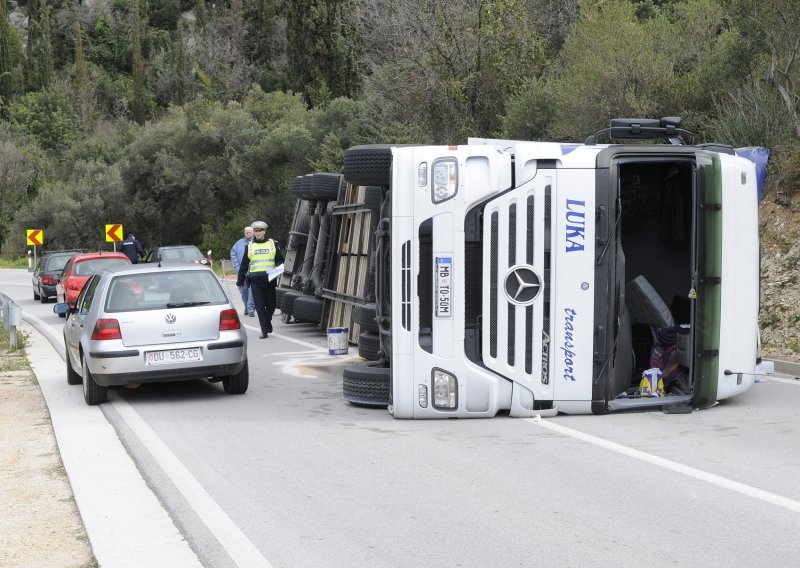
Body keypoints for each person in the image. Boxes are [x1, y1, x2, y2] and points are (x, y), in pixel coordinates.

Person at [237, 220, 284, 338]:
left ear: (264, 232)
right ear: (254, 232)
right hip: (255, 280)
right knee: (259, 305)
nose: (258, 232)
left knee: (271, 305)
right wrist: (240, 281)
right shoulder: (250, 246)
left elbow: (280, 260)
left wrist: (276, 270)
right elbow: (244, 265)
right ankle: (264, 330)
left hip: (269, 279)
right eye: (256, 231)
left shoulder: (273, 243)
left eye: (260, 230)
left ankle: (267, 322)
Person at [230, 226, 256, 317]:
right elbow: (233, 254)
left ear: (253, 233)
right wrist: (237, 267)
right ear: (244, 233)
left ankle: (251, 309)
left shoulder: (256, 242)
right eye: (246, 232)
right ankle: (246, 306)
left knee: (252, 291)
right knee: (244, 291)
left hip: (253, 271)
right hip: (242, 272)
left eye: (250, 232)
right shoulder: (239, 243)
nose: (248, 234)